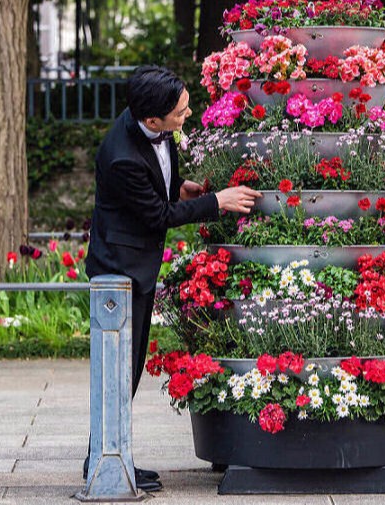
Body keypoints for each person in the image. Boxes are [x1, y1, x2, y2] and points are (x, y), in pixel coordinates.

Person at [84, 65, 261, 492]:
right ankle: (103, 464)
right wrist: (217, 201)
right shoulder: (121, 155)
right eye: (180, 112)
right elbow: (157, 217)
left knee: (129, 369)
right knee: (120, 372)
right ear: (151, 120)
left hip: (136, 266)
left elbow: (160, 186)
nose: (188, 114)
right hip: (120, 271)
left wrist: (179, 186)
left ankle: (114, 456)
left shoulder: (150, 127)